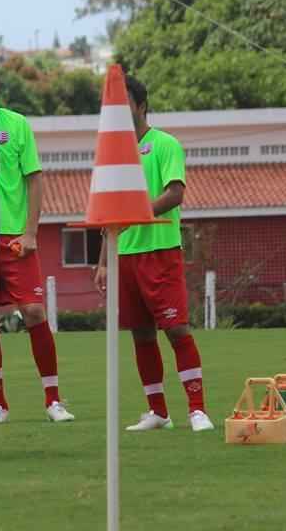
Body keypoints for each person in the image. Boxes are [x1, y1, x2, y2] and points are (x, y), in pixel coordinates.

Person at [93, 75, 213, 432]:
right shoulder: (113, 154)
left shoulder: (164, 144)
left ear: (141, 105)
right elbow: (108, 215)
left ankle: (197, 409)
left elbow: (175, 193)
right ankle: (158, 412)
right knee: (141, 334)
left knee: (175, 329)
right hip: (125, 256)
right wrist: (102, 262)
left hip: (160, 252)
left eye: (123, 104)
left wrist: (138, 213)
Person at [0, 57, 74, 425]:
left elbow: (34, 179)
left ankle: (53, 399)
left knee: (35, 312)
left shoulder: (16, 125)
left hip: (14, 238)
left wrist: (30, 232)